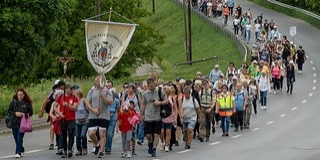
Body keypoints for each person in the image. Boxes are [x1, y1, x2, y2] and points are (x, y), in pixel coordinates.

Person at [85, 75, 113, 158]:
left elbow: (110, 102)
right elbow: (87, 102)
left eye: (98, 81)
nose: (96, 82)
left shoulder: (107, 91)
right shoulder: (92, 90)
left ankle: (102, 150)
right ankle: (97, 144)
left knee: (102, 134)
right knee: (91, 133)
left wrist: (103, 97)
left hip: (103, 115)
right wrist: (93, 110)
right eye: (95, 81)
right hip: (93, 115)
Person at [141, 78, 168, 157]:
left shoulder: (160, 91)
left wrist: (159, 102)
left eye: (152, 86)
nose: (150, 88)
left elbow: (166, 101)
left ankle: (154, 149)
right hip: (148, 117)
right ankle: (150, 143)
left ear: (154, 84)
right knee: (148, 135)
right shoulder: (145, 94)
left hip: (157, 117)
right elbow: (143, 104)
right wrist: (141, 114)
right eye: (149, 86)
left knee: (156, 134)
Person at [53, 83, 79, 158]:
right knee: (63, 135)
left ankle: (70, 149)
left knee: (71, 132)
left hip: (71, 119)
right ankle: (65, 150)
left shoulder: (74, 97)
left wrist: (68, 105)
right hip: (63, 118)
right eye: (71, 89)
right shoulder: (60, 97)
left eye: (72, 89)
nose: (72, 90)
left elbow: (75, 108)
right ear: (66, 89)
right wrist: (59, 114)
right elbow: (55, 106)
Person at [7, 88, 33, 158]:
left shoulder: (27, 103)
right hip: (14, 122)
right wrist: (15, 113)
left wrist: (23, 114)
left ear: (24, 95)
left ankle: (18, 152)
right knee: (15, 138)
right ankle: (21, 148)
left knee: (19, 137)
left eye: (21, 95)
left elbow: (30, 112)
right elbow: (9, 111)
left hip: (22, 123)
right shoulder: (13, 102)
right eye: (18, 94)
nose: (20, 96)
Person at [39, 80, 64, 150]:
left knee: (61, 128)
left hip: (61, 112)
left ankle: (60, 141)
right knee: (52, 128)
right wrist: (42, 111)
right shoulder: (52, 93)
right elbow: (46, 101)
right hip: (53, 112)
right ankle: (51, 142)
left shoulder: (64, 92)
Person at [122, 83, 142, 155]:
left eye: (130, 88)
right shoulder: (125, 96)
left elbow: (140, 104)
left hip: (135, 116)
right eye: (127, 88)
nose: (128, 89)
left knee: (133, 133)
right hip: (126, 116)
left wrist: (141, 115)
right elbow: (122, 105)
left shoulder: (137, 95)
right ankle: (128, 147)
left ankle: (133, 148)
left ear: (133, 89)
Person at [160, 86, 176, 152]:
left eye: (166, 92)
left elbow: (175, 108)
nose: (165, 93)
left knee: (168, 131)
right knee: (162, 131)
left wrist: (175, 117)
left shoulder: (172, 99)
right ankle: (163, 142)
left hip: (169, 117)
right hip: (162, 117)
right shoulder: (161, 99)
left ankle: (167, 145)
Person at [105, 88, 121, 155]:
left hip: (113, 117)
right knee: (104, 134)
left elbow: (118, 111)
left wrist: (118, 121)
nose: (112, 95)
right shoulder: (106, 101)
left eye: (113, 94)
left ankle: (108, 148)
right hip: (105, 117)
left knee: (110, 134)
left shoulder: (117, 101)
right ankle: (103, 146)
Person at [75, 89, 88, 156]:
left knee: (83, 135)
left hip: (85, 121)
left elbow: (88, 109)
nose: (76, 95)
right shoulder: (75, 102)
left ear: (80, 94)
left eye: (77, 94)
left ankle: (84, 148)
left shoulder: (84, 101)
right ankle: (79, 150)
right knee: (77, 136)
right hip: (77, 121)